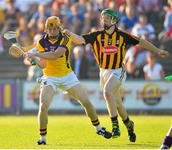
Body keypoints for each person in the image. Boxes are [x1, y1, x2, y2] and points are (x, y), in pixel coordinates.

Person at [64, 9, 169, 142]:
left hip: (118, 70)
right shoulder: (96, 35)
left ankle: (115, 126)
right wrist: (69, 33)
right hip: (103, 72)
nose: (104, 20)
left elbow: (142, 42)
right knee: (118, 104)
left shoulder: (122, 36)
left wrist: (158, 50)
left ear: (114, 20)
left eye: (107, 18)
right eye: (103, 18)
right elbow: (79, 40)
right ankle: (129, 124)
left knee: (107, 93)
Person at [23, 16, 112, 145]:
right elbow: (43, 65)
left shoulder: (65, 37)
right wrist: (34, 59)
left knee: (86, 101)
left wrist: (34, 54)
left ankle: (98, 128)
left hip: (67, 76)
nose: (52, 31)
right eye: (50, 28)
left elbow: (55, 55)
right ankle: (43, 138)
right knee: (43, 106)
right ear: (46, 29)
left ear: (59, 28)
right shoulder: (41, 42)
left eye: (55, 28)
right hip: (50, 77)